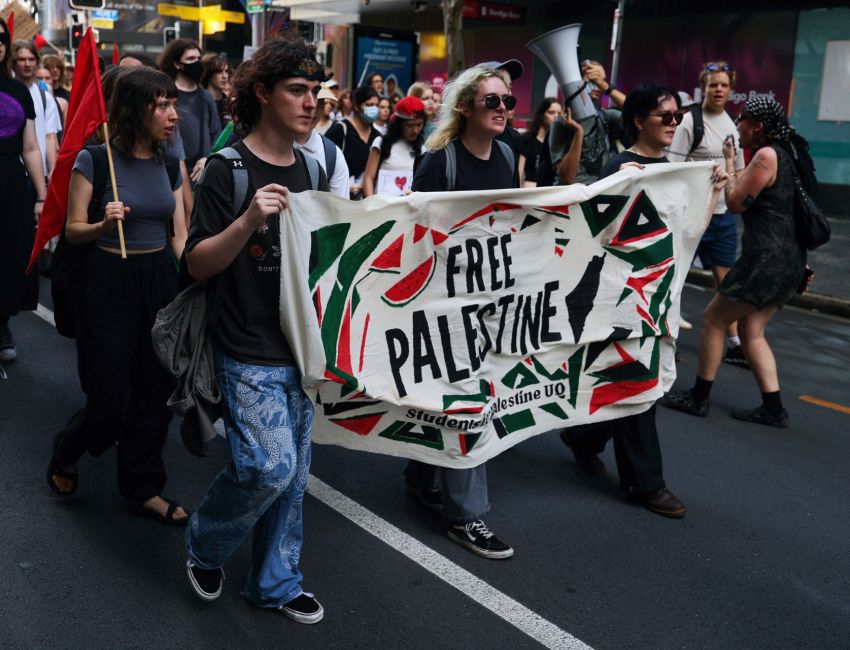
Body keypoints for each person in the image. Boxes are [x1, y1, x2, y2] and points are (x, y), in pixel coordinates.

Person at [183, 38, 330, 624]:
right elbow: (195, 264)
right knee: (269, 468)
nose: (310, 103)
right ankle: (205, 543)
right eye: (297, 90)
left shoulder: (312, 167)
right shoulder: (227, 169)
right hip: (244, 347)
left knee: (292, 479)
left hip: (299, 349)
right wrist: (248, 220)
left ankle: (275, 582)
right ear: (262, 94)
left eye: (315, 92)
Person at [559, 82, 728, 518]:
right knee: (639, 385)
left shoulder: (674, 168)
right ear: (638, 121)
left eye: (677, 117)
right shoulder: (621, 167)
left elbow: (687, 234)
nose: (674, 124)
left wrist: (710, 193)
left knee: (631, 382)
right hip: (623, 297)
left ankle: (582, 437)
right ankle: (645, 483)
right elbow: (602, 231)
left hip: (658, 296)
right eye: (665, 117)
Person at [46, 68, 189, 525]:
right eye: (162, 105)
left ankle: (142, 486)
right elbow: (72, 231)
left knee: (155, 390)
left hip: (158, 282)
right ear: (134, 109)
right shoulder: (94, 159)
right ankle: (68, 448)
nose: (173, 114)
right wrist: (104, 225)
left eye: (173, 103)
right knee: (110, 401)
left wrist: (193, 282)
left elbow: (179, 234)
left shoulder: (168, 163)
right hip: (109, 280)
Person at [404, 66, 518, 560]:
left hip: (488, 300)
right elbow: (414, 232)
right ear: (467, 106)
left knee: (456, 396)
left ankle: (420, 470)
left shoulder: (508, 155)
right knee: (470, 400)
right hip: (443, 302)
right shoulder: (440, 161)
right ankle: (466, 515)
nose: (502, 110)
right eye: (492, 101)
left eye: (507, 101)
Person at [662, 97, 810, 429]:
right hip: (788, 259)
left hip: (765, 261)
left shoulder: (766, 156)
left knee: (714, 318)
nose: (737, 124)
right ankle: (774, 409)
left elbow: (735, 203)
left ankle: (698, 397)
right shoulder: (786, 155)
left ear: (758, 126)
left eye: (742, 119)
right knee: (751, 329)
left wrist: (728, 168)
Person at [668, 62, 747, 364]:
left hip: (723, 217)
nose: (718, 90)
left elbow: (737, 172)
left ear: (730, 90)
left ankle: (735, 342)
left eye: (724, 85)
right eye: (713, 84)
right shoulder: (689, 122)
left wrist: (733, 190)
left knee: (725, 281)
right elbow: (672, 170)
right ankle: (666, 337)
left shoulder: (733, 125)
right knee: (675, 278)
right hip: (692, 215)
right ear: (704, 87)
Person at [0, 18, 47, 363]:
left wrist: (42, 196)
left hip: (11, 187)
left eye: (1, 39)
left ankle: (1, 322)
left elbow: (31, 148)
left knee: (10, 257)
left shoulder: (19, 91)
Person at [540, 60, 625, 187]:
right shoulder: (562, 123)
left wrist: (606, 87)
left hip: (601, 191)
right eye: (593, 80)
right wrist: (578, 132)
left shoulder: (606, 117)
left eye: (601, 81)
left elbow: (637, 111)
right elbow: (567, 177)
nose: (598, 87)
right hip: (572, 197)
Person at [157, 38, 221, 186]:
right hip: (173, 172)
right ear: (177, 64)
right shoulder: (167, 95)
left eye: (198, 58)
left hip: (202, 172)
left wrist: (209, 159)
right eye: (191, 59)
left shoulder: (206, 97)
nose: (197, 62)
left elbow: (216, 134)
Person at [11, 40, 60, 182]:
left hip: (38, 175)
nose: (27, 64)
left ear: (37, 62)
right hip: (10, 171)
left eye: (31, 59)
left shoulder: (46, 98)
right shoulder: (5, 94)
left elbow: (50, 137)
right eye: (21, 59)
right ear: (13, 62)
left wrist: (52, 170)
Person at [295, 83, 351, 198]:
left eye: (318, 98)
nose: (312, 106)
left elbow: (340, 210)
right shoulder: (270, 146)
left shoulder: (332, 155)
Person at [362, 95, 425, 197]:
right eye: (410, 125)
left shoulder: (422, 149)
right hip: (382, 208)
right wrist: (372, 207)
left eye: (419, 125)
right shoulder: (381, 143)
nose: (415, 130)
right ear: (399, 124)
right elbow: (368, 178)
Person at [325, 85, 380, 199]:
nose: (374, 109)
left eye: (376, 105)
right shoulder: (340, 130)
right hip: (342, 199)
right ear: (356, 106)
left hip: (368, 202)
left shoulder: (378, 137)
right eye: (369, 105)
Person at [517, 97, 562, 187]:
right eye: (551, 112)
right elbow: (519, 172)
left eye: (560, 113)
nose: (556, 116)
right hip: (529, 192)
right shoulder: (527, 139)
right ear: (541, 115)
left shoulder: (561, 143)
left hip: (553, 192)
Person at [200, 53, 232, 129]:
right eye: (219, 72)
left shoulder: (228, 102)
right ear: (209, 74)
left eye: (226, 71)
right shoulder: (199, 101)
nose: (224, 76)